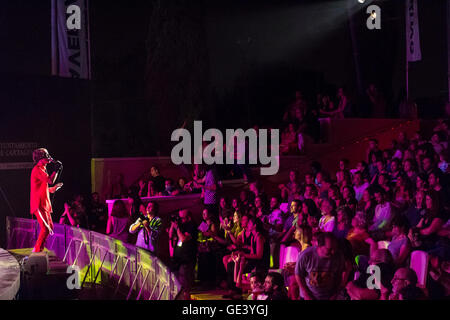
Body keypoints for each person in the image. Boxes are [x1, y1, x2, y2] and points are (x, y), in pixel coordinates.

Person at [30, 148, 63, 252]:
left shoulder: (43, 169)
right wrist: (56, 170)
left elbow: (43, 188)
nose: (49, 157)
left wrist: (52, 189)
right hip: (38, 205)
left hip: (44, 203)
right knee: (45, 229)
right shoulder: (37, 169)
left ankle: (39, 249)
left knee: (50, 228)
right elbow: (50, 180)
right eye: (46, 156)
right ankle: (37, 251)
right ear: (40, 158)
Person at [295, 232, 345, 300]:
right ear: (318, 245)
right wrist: (306, 294)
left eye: (335, 249)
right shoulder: (306, 255)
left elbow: (339, 276)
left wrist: (335, 294)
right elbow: (298, 275)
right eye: (329, 249)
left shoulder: (339, 256)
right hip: (309, 296)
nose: (333, 252)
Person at [169, 209, 198, 300]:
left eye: (182, 218)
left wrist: (177, 228)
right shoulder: (181, 225)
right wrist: (172, 225)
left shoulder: (192, 226)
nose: (180, 220)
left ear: (188, 217)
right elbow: (170, 235)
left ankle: (186, 298)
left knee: (184, 278)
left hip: (187, 256)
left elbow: (183, 239)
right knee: (177, 277)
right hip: (178, 256)